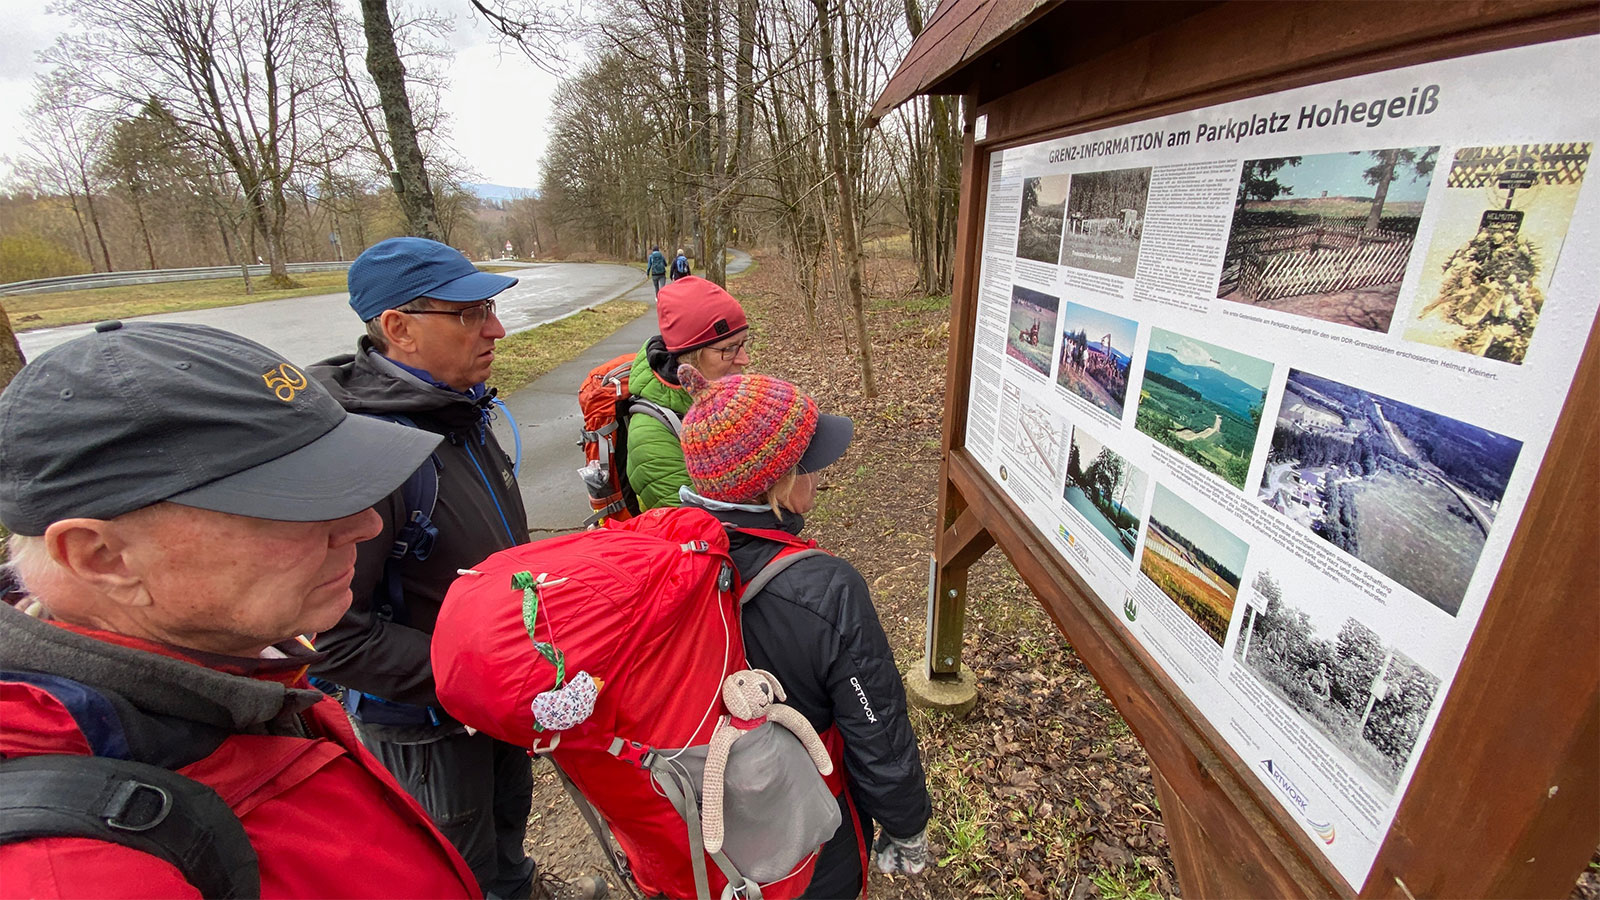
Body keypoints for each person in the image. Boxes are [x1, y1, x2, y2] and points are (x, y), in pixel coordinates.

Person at [0, 321, 479, 898]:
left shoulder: (240, 674)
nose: (367, 524)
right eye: (292, 503)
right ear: (102, 557)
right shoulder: (75, 871)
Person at [308, 237, 599, 900]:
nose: (495, 328)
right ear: (398, 327)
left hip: (492, 699)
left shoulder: (455, 409)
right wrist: (485, 678)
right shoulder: (364, 453)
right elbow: (331, 635)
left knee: (505, 824)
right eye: (468, 314)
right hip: (426, 726)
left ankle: (521, 887)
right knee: (452, 870)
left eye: (489, 307)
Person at [675, 366, 932, 899]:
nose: (819, 473)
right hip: (811, 828)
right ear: (779, 484)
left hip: (706, 824)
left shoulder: (674, 558)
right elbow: (876, 729)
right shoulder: (826, 590)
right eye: (808, 463)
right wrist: (906, 823)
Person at [625, 275, 752, 511]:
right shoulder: (651, 439)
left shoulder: (726, 390)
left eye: (744, 342)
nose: (745, 359)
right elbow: (703, 528)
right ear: (690, 359)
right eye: (729, 349)